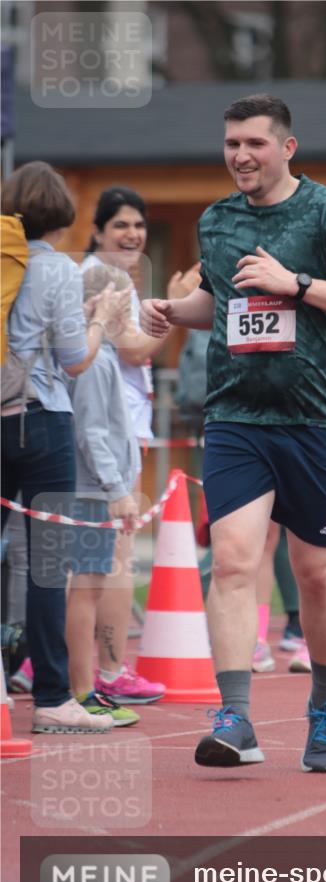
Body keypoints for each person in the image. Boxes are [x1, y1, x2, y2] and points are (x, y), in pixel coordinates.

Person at [141, 93, 326, 772]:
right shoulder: (216, 220)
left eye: (254, 143)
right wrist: (172, 310)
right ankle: (236, 718)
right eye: (231, 144)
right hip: (233, 417)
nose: (240, 156)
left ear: (287, 147)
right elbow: (218, 301)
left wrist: (298, 283)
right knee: (230, 561)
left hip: (313, 420)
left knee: (314, 575)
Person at [0, 161, 131, 734]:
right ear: (61, 215)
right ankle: (53, 697)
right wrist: (100, 320)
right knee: (48, 562)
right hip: (41, 419)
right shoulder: (57, 269)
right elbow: (76, 359)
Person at [81, 187, 170, 705]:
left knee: (93, 557)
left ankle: (41, 659)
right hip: (110, 433)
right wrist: (174, 310)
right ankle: (110, 672)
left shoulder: (113, 279)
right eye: (120, 225)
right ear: (97, 232)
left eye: (139, 224)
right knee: (112, 557)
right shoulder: (102, 278)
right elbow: (134, 350)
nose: (132, 234)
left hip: (115, 429)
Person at [65, 262, 143, 727]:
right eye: (125, 306)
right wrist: (116, 489)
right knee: (86, 590)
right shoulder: (94, 364)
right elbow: (91, 432)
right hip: (92, 492)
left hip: (96, 490)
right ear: (102, 304)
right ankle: (81, 690)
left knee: (87, 588)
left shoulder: (105, 355)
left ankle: (80, 686)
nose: (130, 318)